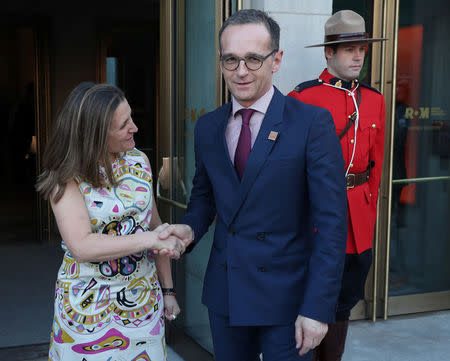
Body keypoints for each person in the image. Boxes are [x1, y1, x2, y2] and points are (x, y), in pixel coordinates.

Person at [158, 9, 347, 361]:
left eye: (253, 59)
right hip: (226, 294)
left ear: (276, 60)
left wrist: (318, 308)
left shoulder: (310, 123)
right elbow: (204, 198)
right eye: (231, 60)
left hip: (288, 301)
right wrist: (188, 229)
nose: (241, 71)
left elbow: (333, 226)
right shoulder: (209, 127)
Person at [36, 82, 187, 361]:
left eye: (131, 117)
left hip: (142, 302)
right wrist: (149, 239)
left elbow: (155, 227)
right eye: (123, 124)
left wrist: (168, 290)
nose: (135, 128)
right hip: (86, 309)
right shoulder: (66, 175)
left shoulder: (139, 161)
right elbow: (81, 245)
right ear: (94, 134)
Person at [288, 10, 387, 361]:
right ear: (328, 53)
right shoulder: (302, 98)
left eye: (361, 47)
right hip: (315, 219)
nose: (358, 55)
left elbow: (376, 166)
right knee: (310, 300)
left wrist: (368, 212)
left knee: (343, 307)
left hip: (357, 220)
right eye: (348, 49)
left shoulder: (374, 99)